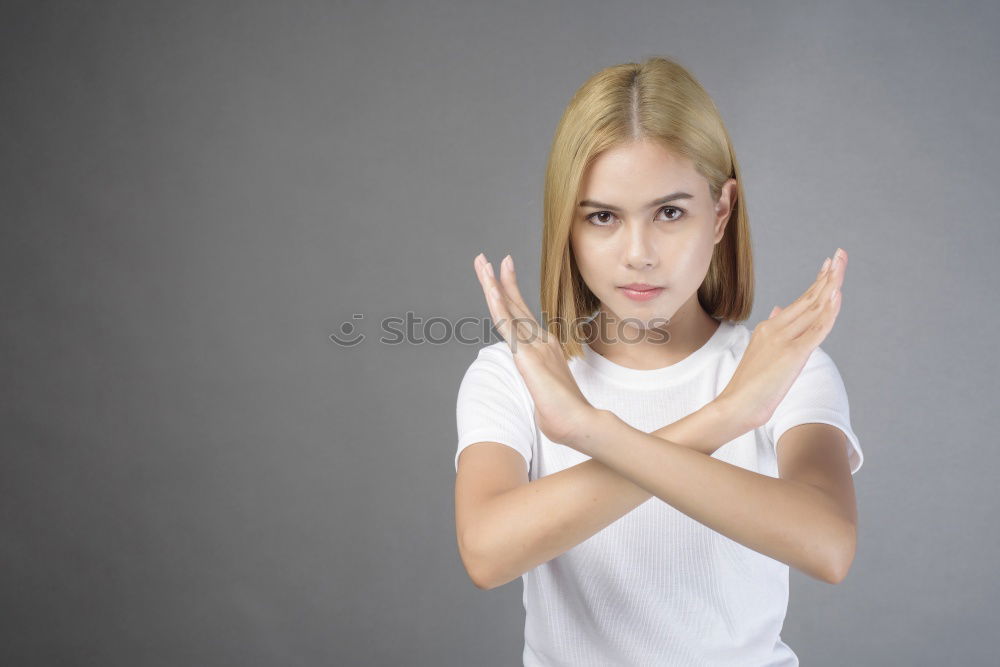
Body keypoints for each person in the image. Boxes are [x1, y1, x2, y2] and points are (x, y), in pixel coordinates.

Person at [453, 56, 862, 667]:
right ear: (567, 223)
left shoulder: (784, 368)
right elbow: (488, 553)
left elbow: (827, 546)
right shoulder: (514, 375)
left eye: (669, 213)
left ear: (722, 212)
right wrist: (723, 419)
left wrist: (594, 432)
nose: (637, 255)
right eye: (602, 217)